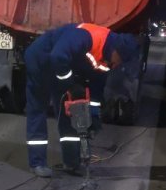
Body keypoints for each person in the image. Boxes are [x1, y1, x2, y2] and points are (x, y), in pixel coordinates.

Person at [24, 22, 139, 177]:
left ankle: (72, 163)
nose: (119, 64)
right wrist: (70, 85)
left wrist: (94, 116)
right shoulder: (87, 36)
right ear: (117, 51)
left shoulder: (107, 60)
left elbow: (96, 90)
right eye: (121, 60)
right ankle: (37, 163)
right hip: (40, 61)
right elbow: (58, 56)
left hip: (62, 67)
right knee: (38, 109)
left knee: (68, 112)